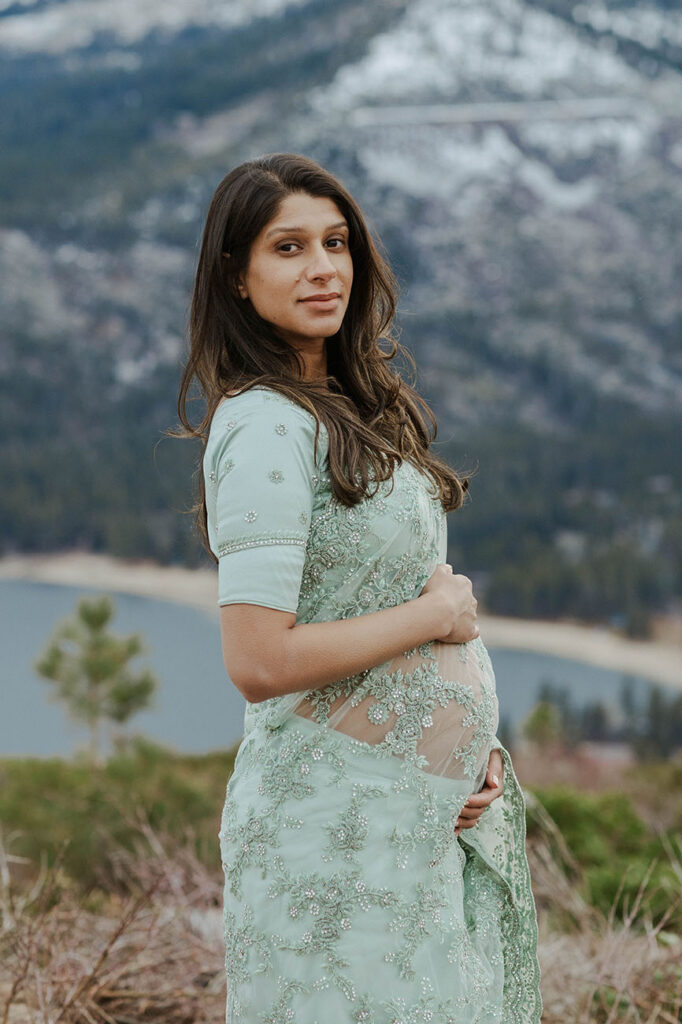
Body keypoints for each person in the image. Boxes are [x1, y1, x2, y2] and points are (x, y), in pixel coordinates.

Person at [177, 153, 541, 1023]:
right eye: (289, 247)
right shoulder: (265, 423)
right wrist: (436, 614)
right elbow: (259, 659)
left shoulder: (344, 406)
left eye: (335, 242)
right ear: (237, 273)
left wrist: (461, 763)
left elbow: (357, 616)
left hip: (409, 821)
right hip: (328, 837)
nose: (323, 268)